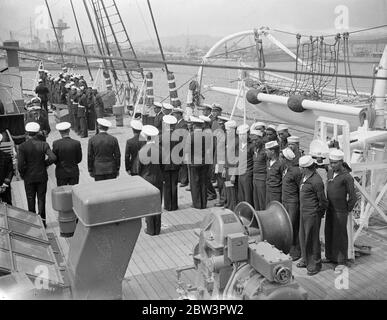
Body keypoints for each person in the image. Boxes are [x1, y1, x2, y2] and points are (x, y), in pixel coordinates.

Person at [18, 122, 56, 227]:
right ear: (38, 132)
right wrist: (44, 164)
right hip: (41, 175)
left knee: (30, 199)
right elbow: (53, 158)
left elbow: (20, 164)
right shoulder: (44, 144)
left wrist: (22, 174)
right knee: (41, 198)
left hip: (29, 177)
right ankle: (43, 222)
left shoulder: (22, 146)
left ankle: (33, 222)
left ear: (26, 133)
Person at [324, 149, 357, 272]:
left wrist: (347, 209)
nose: (332, 165)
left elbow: (353, 197)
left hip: (340, 211)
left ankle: (341, 261)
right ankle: (330, 256)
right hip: (330, 209)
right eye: (331, 162)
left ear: (341, 162)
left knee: (340, 235)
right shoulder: (330, 172)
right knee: (329, 232)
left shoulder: (347, 177)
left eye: (335, 163)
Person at [297, 155, 328, 275]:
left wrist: (318, 213)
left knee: (313, 239)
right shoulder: (304, 177)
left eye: (300, 167)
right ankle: (305, 259)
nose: (299, 169)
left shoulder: (316, 181)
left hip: (312, 214)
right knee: (303, 236)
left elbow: (323, 201)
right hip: (303, 212)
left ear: (305, 168)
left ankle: (316, 264)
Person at [138, 125, 163, 235]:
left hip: (146, 180)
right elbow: (164, 166)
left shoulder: (142, 150)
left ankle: (150, 229)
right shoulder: (161, 150)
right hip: (158, 179)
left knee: (148, 204)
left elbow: (138, 168)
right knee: (158, 203)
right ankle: (157, 228)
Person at [281, 147, 302, 261]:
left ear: (286, 159)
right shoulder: (286, 169)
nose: (281, 158)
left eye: (282, 157)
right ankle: (289, 248)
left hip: (293, 203)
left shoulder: (295, 171)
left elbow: (300, 188)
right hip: (285, 201)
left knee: (293, 226)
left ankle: (296, 251)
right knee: (287, 227)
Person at [187, 116, 208, 209]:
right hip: (204, 162)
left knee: (195, 184)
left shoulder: (191, 136)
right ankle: (204, 203)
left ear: (194, 126)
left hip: (194, 163)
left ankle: (197, 204)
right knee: (203, 183)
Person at [52, 122, 82, 186]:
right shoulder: (76, 143)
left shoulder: (56, 144)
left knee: (62, 193)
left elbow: (54, 159)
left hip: (61, 172)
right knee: (74, 192)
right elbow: (79, 159)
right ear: (69, 130)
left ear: (60, 132)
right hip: (74, 172)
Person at [161, 115, 180, 211]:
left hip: (165, 165)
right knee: (174, 184)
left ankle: (168, 206)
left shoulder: (161, 137)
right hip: (176, 164)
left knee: (167, 185)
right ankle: (174, 205)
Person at [236, 124, 254, 206]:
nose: (241, 136)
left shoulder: (251, 146)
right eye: (240, 134)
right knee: (241, 196)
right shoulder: (240, 145)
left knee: (248, 196)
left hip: (248, 174)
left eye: (243, 134)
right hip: (240, 173)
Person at [172, 108, 189, 187]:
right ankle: (180, 178)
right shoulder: (177, 123)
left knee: (183, 164)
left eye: (175, 114)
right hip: (177, 145)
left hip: (181, 145)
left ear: (179, 114)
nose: (174, 115)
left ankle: (184, 180)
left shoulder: (183, 124)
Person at [252, 129, 267, 210]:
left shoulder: (265, 150)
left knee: (262, 199)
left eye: (256, 140)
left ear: (261, 138)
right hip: (255, 177)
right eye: (253, 140)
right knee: (256, 199)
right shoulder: (255, 149)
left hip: (262, 178)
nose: (254, 142)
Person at [265, 140, 284, 205]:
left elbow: (283, 179)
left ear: (272, 151)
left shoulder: (280, 164)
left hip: (276, 192)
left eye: (267, 150)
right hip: (268, 190)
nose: (266, 152)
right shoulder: (268, 161)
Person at [0, 133, 14, 205]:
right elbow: (10, 171)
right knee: (8, 206)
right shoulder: (7, 156)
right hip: (4, 187)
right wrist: (5, 184)